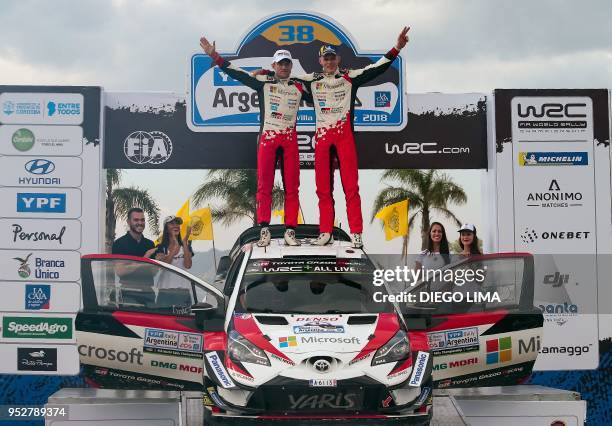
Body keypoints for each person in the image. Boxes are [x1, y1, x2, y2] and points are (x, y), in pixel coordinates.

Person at [269, 27, 410, 248]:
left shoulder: (348, 77)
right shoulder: (311, 79)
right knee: (323, 189)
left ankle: (356, 233)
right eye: (326, 58)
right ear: (320, 61)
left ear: (338, 59)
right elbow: (283, 75)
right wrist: (263, 74)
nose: (330, 61)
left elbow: (376, 69)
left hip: (345, 138)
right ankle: (326, 231)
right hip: (323, 140)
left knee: (351, 187)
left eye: (332, 58)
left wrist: (396, 48)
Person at [200, 36, 313, 247]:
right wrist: (215, 56)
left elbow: (322, 94)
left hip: (289, 140)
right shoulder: (263, 81)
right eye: (280, 63)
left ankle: (290, 230)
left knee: (292, 187)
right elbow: (237, 73)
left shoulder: (299, 85)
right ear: (274, 65)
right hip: (268, 139)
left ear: (291, 66)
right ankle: (264, 230)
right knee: (264, 186)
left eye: (287, 63)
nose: (284, 67)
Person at [111, 207, 157, 304]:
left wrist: (158, 260)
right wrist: (144, 259)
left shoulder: (150, 244)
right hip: (128, 293)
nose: (140, 223)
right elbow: (120, 271)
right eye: (136, 220)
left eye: (142, 220)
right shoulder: (119, 243)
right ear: (128, 222)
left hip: (148, 293)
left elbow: (153, 273)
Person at [152, 216, 195, 309]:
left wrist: (184, 242)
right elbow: (164, 266)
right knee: (163, 321)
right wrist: (174, 249)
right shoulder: (161, 247)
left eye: (177, 224)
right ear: (166, 229)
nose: (176, 226)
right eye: (172, 224)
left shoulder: (185, 247)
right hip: (165, 292)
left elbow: (188, 265)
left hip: (183, 292)